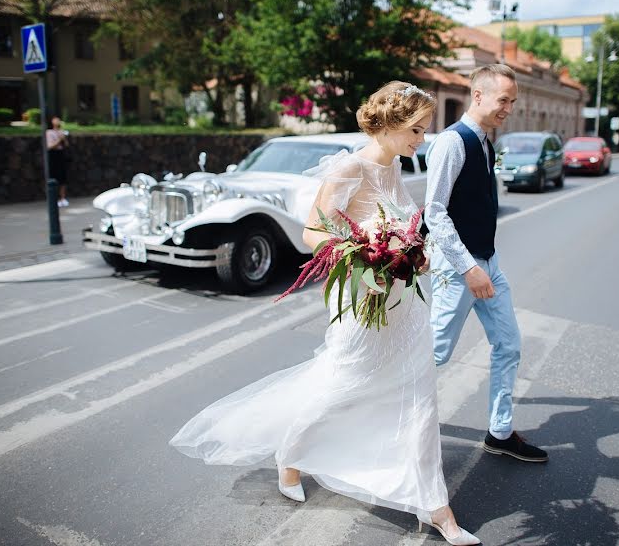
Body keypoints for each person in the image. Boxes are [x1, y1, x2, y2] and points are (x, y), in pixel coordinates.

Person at [169, 81, 480, 545]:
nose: (421, 139)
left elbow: (406, 226)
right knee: (343, 385)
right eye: (416, 130)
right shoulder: (350, 168)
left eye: (423, 130)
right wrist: (362, 253)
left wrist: (416, 250)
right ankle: (290, 455)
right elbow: (314, 233)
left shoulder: (394, 165)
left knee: (419, 396)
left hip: (402, 301)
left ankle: (438, 510)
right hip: (361, 297)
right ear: (391, 125)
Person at [425, 64, 548, 463]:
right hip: (460, 267)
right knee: (434, 353)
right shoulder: (452, 142)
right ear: (478, 96)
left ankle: (499, 432)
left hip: (486, 262)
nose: (508, 108)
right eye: (503, 100)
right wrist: (468, 268)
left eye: (512, 101)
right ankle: (387, 418)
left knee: (508, 343)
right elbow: (435, 212)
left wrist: (483, 264)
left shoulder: (484, 142)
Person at [45, 116, 70, 207]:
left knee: (63, 177)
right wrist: (60, 139)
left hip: (61, 155)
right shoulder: (49, 132)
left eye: (58, 120)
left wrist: (64, 138)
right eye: (55, 119)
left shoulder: (61, 132)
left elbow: (66, 145)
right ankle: (54, 198)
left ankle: (63, 198)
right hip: (53, 156)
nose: (57, 121)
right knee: (54, 176)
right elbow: (50, 146)